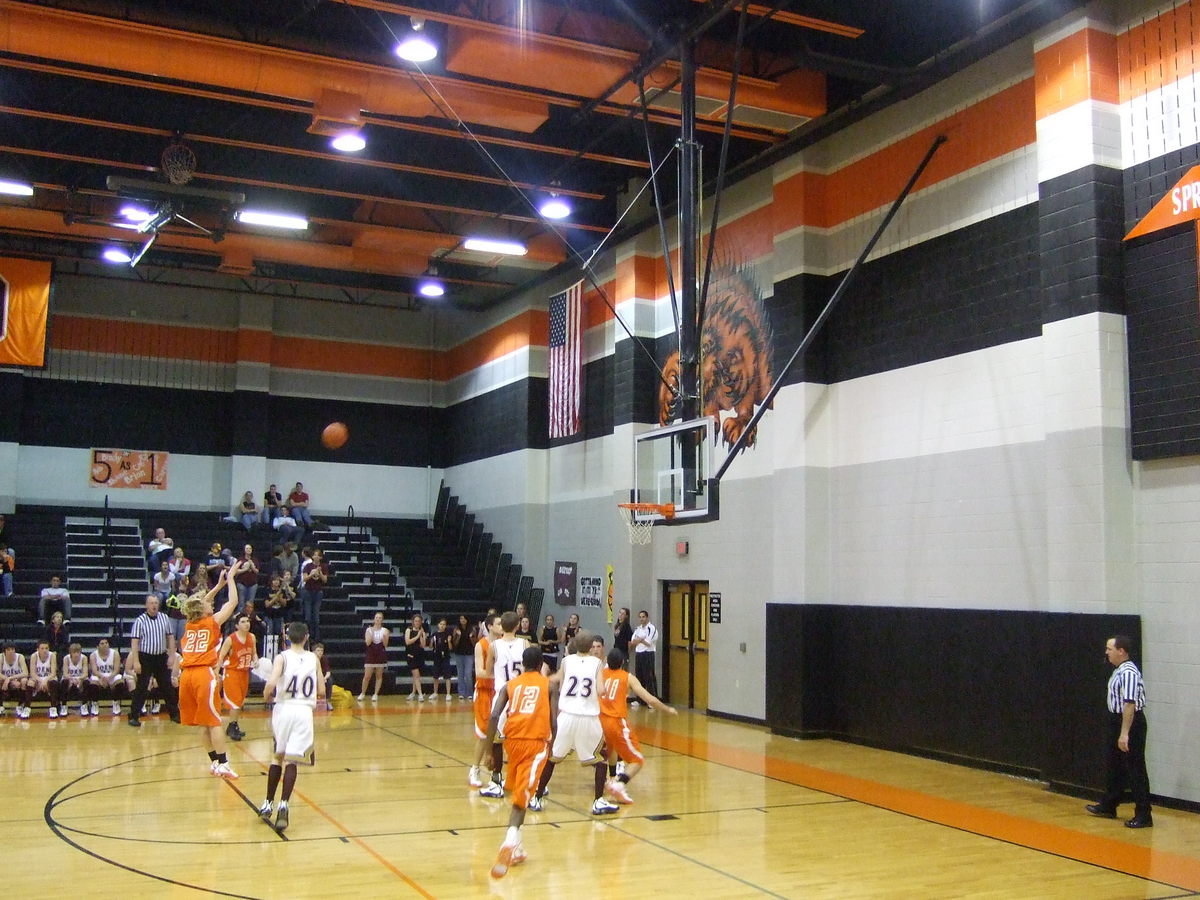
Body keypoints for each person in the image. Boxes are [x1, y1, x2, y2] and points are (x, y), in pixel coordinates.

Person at [485, 645, 555, 880]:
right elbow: (554, 719)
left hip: (511, 743)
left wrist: (489, 751)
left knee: (519, 794)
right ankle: (509, 841)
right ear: (540, 664)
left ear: (523, 664)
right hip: (535, 743)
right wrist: (554, 746)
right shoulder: (549, 685)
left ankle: (518, 847)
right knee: (522, 798)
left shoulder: (509, 685)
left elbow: (494, 716)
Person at [529, 631, 616, 815]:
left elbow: (558, 681)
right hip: (588, 717)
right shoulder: (597, 663)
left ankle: (536, 797)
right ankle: (598, 801)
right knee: (601, 758)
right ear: (590, 647)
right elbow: (601, 690)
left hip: (566, 716)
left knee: (552, 758)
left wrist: (542, 679)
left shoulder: (566, 661)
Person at [177, 561, 245, 778]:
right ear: (203, 610)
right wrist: (231, 579)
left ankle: (215, 761)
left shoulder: (190, 624)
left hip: (186, 676)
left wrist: (217, 586)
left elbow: (201, 602)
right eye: (209, 604)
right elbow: (233, 602)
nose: (212, 605)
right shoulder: (212, 622)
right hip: (203, 674)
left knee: (203, 723)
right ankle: (224, 763)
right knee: (214, 722)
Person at [260, 620, 324, 832]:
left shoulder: (282, 657)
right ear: (306, 638)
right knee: (292, 761)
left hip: (284, 709)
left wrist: (266, 695)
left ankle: (267, 803)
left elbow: (271, 683)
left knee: (277, 756)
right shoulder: (314, 658)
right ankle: (284, 806)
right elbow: (321, 690)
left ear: (287, 637)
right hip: (304, 711)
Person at [1085, 635, 1153, 828]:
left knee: (1135, 768)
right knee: (1114, 764)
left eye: (1110, 649)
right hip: (1116, 720)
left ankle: (1144, 814)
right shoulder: (1118, 670)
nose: (1106, 653)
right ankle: (1110, 804)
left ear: (1121, 651)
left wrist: (1125, 733)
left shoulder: (1129, 672)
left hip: (1130, 722)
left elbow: (1129, 704)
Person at [600, 648, 677, 804]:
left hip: (600, 721)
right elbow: (650, 699)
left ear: (607, 661)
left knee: (610, 750)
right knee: (637, 760)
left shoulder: (600, 674)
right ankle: (619, 784)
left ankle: (612, 780)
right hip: (616, 722)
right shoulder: (627, 677)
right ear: (623, 662)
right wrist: (667, 709)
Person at [479, 611, 531, 798]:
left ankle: (496, 780)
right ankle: (527, 780)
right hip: (522, 694)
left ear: (502, 626)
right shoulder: (525, 644)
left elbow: (488, 672)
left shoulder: (494, 646)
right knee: (524, 738)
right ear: (517, 626)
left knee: (497, 740)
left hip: (503, 694)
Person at [127, 593, 180, 727]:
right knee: (142, 687)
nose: (154, 605)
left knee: (167, 686)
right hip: (145, 657)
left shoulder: (164, 618)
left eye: (156, 603)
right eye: (151, 603)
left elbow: (170, 637)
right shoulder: (140, 620)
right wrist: (136, 661)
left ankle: (175, 714)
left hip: (161, 657)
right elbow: (135, 642)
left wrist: (172, 655)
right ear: (146, 605)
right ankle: (134, 715)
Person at [469, 613, 502, 787]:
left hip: (500, 692)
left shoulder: (503, 644)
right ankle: (474, 769)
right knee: (484, 734)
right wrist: (500, 675)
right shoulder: (481, 645)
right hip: (484, 691)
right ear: (489, 626)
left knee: (502, 734)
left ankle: (497, 773)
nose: (502, 626)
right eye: (499, 624)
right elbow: (480, 672)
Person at [218, 611, 258, 742]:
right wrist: (216, 672)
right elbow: (221, 656)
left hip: (244, 673)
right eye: (243, 622)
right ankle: (233, 726)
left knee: (240, 702)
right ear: (236, 626)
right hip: (232, 672)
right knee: (235, 702)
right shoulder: (231, 639)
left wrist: (256, 660)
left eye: (248, 621)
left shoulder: (252, 637)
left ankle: (232, 726)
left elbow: (254, 653)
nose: (247, 624)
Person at [88, 636, 125, 715]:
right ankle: (95, 704)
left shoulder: (115, 653)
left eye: (106, 643)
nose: (105, 645)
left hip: (112, 675)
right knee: (93, 681)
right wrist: (102, 677)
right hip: (99, 676)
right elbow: (94, 671)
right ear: (97, 646)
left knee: (119, 680)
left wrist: (109, 678)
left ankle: (116, 703)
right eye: (102, 643)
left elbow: (116, 670)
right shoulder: (93, 655)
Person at [629, 609, 660, 703]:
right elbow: (633, 641)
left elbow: (648, 642)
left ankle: (653, 700)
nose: (641, 619)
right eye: (640, 617)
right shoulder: (638, 629)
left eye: (643, 617)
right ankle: (640, 700)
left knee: (649, 677)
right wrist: (640, 640)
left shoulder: (651, 628)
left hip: (648, 653)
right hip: (639, 653)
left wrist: (641, 640)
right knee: (639, 677)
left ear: (647, 617)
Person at [299, 547, 328, 642]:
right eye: (314, 555)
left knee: (316, 616)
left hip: (318, 592)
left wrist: (320, 573)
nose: (315, 557)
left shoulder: (323, 566)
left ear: (320, 557)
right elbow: (304, 579)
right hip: (308, 591)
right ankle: (308, 636)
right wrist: (311, 574)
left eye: (317, 555)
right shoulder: (308, 566)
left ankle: (316, 637)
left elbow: (325, 580)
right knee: (308, 616)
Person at [359, 612, 389, 702]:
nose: (378, 619)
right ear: (374, 619)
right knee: (367, 676)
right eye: (376, 617)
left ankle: (375, 694)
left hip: (380, 653)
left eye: (380, 618)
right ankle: (363, 693)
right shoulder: (369, 630)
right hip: (371, 653)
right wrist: (371, 635)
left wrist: (384, 638)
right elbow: (367, 643)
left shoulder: (385, 630)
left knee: (379, 675)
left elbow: (386, 645)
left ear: (382, 620)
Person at [26, 639, 58, 718]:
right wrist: (41, 681)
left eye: (46, 648)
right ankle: (27, 708)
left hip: (49, 678)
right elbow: (32, 673)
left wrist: (45, 681)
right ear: (38, 649)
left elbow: (53, 673)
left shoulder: (52, 656)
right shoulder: (34, 656)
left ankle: (53, 708)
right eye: (42, 648)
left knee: (53, 682)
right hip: (37, 678)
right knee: (30, 683)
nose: (45, 650)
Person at [59, 641, 89, 716]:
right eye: (74, 652)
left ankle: (84, 705)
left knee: (86, 682)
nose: (76, 654)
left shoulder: (84, 658)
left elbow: (85, 673)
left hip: (80, 679)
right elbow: (65, 674)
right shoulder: (66, 658)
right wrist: (72, 679)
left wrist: (79, 679)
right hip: (69, 679)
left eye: (78, 652)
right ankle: (64, 706)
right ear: (70, 653)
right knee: (64, 682)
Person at [0, 641, 29, 717]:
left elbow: (25, 673)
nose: (11, 651)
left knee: (24, 681)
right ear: (4, 652)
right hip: (5, 682)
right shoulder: (1, 657)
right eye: (8, 650)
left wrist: (10, 678)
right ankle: (1, 706)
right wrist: (7, 680)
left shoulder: (20, 657)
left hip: (17, 682)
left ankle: (20, 705)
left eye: (13, 649)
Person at [404, 613, 428, 702]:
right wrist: (417, 636)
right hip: (411, 655)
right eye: (416, 621)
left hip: (419, 655)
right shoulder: (409, 630)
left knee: (416, 676)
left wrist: (421, 635)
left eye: (419, 621)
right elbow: (408, 642)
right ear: (413, 622)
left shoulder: (422, 632)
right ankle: (420, 694)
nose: (417, 622)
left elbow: (423, 645)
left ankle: (413, 693)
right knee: (416, 675)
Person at [429, 617, 454, 701]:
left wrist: (449, 641)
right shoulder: (434, 634)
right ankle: (435, 692)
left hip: (445, 657)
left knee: (447, 676)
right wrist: (431, 642)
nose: (442, 626)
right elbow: (430, 647)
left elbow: (450, 648)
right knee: (435, 676)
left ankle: (448, 693)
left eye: (444, 624)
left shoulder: (448, 634)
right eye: (441, 624)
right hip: (436, 657)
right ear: (438, 625)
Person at [451, 614, 475, 699]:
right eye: (461, 618)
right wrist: (458, 636)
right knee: (460, 674)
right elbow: (454, 643)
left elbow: (475, 643)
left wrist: (471, 637)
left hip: (469, 654)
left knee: (468, 674)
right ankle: (461, 692)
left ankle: (470, 692)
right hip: (459, 653)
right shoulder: (456, 629)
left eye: (464, 618)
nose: (463, 620)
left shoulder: (472, 629)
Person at [234, 543, 260, 608]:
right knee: (241, 602)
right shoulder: (240, 560)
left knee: (250, 603)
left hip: (253, 584)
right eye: (247, 548)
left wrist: (252, 566)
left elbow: (257, 571)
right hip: (242, 583)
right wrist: (245, 569)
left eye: (250, 548)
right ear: (244, 550)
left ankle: (249, 614)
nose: (248, 550)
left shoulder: (255, 560)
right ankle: (240, 614)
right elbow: (235, 571)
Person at [313, 642, 334, 711]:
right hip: (313, 677)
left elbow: (328, 672)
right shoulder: (310, 659)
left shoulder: (324, 658)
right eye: (318, 650)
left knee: (329, 680)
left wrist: (324, 678)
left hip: (322, 678)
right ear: (313, 651)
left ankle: (328, 701)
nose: (320, 652)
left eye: (322, 651)